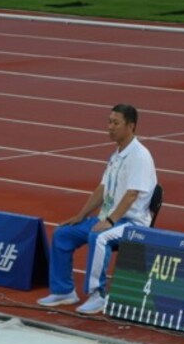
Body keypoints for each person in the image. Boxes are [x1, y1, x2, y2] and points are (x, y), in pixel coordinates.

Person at [38, 104, 157, 314]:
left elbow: (132, 195)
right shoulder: (117, 154)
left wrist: (110, 222)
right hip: (108, 218)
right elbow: (102, 189)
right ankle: (64, 291)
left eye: (116, 123)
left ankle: (98, 295)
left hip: (130, 222)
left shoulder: (139, 156)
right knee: (63, 234)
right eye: (109, 122)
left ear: (131, 126)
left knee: (99, 237)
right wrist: (81, 215)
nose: (110, 127)